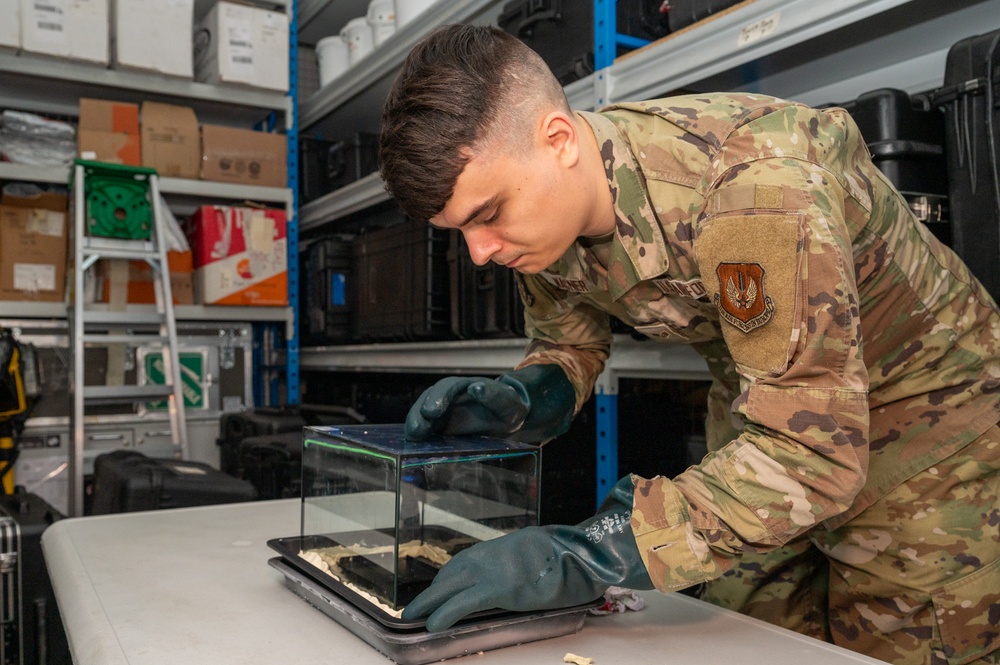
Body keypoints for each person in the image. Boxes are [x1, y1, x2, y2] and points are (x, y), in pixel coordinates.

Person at [377, 24, 1000, 665]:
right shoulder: (545, 215)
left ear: (558, 139)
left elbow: (813, 455)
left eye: (486, 215)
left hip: (931, 427)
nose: (480, 253)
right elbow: (569, 342)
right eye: (459, 230)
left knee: (893, 647)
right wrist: (525, 395)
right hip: (769, 414)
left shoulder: (751, 192)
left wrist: (587, 551)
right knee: (741, 639)